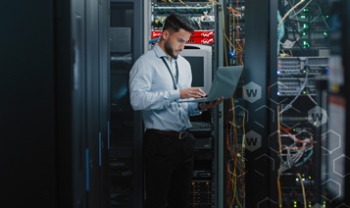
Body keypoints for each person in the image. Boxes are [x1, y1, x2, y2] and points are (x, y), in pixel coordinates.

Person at [129, 13, 224, 208]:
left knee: (180, 202)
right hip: (159, 142)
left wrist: (201, 106)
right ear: (164, 34)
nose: (183, 46)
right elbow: (137, 101)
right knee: (156, 201)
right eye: (179, 40)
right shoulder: (145, 64)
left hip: (184, 142)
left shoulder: (184, 64)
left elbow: (183, 106)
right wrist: (177, 94)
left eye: (186, 41)